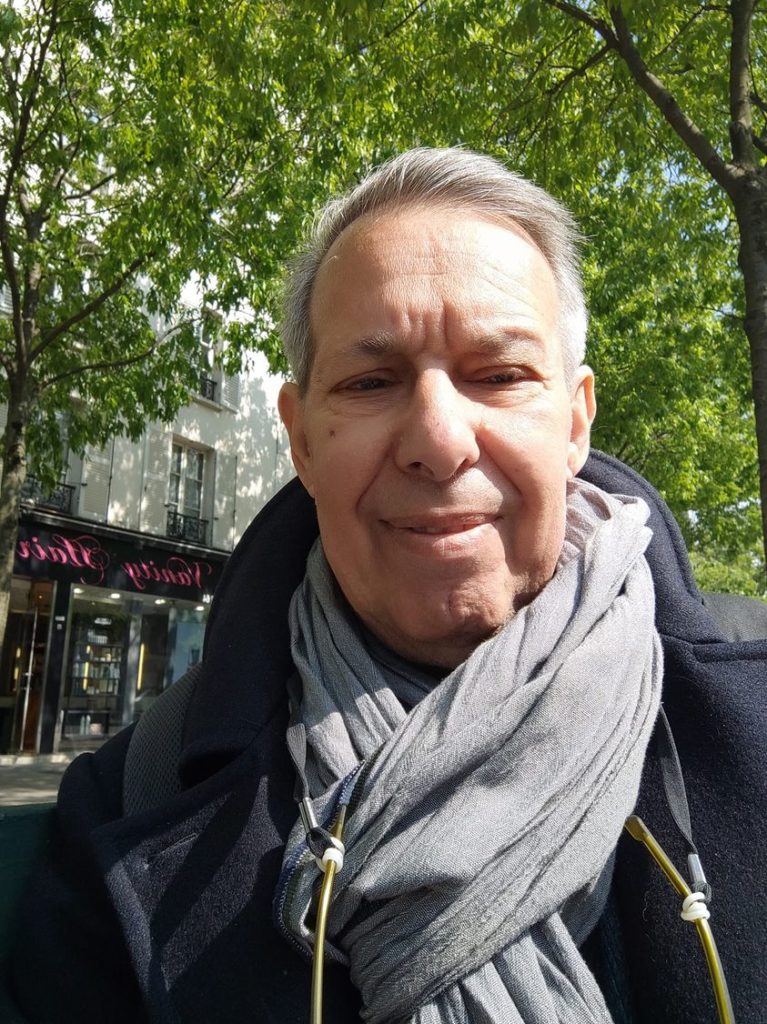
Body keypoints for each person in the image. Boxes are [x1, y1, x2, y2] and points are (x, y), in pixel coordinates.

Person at [7, 148, 766, 1024]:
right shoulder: (131, 799)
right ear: (301, 440)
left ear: (574, 422)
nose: (438, 441)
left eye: (499, 375)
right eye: (370, 382)